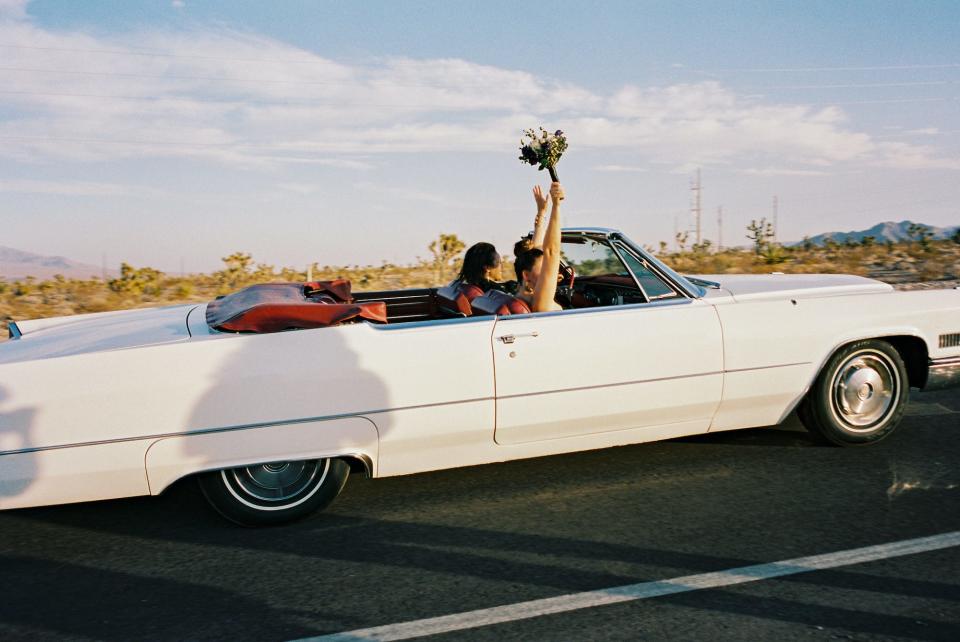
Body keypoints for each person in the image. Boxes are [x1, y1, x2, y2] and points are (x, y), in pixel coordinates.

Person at [515, 181, 564, 312]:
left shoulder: (522, 295)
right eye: (544, 268)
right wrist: (556, 206)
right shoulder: (541, 303)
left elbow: (536, 251)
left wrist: (541, 213)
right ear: (526, 275)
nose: (550, 271)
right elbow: (551, 252)